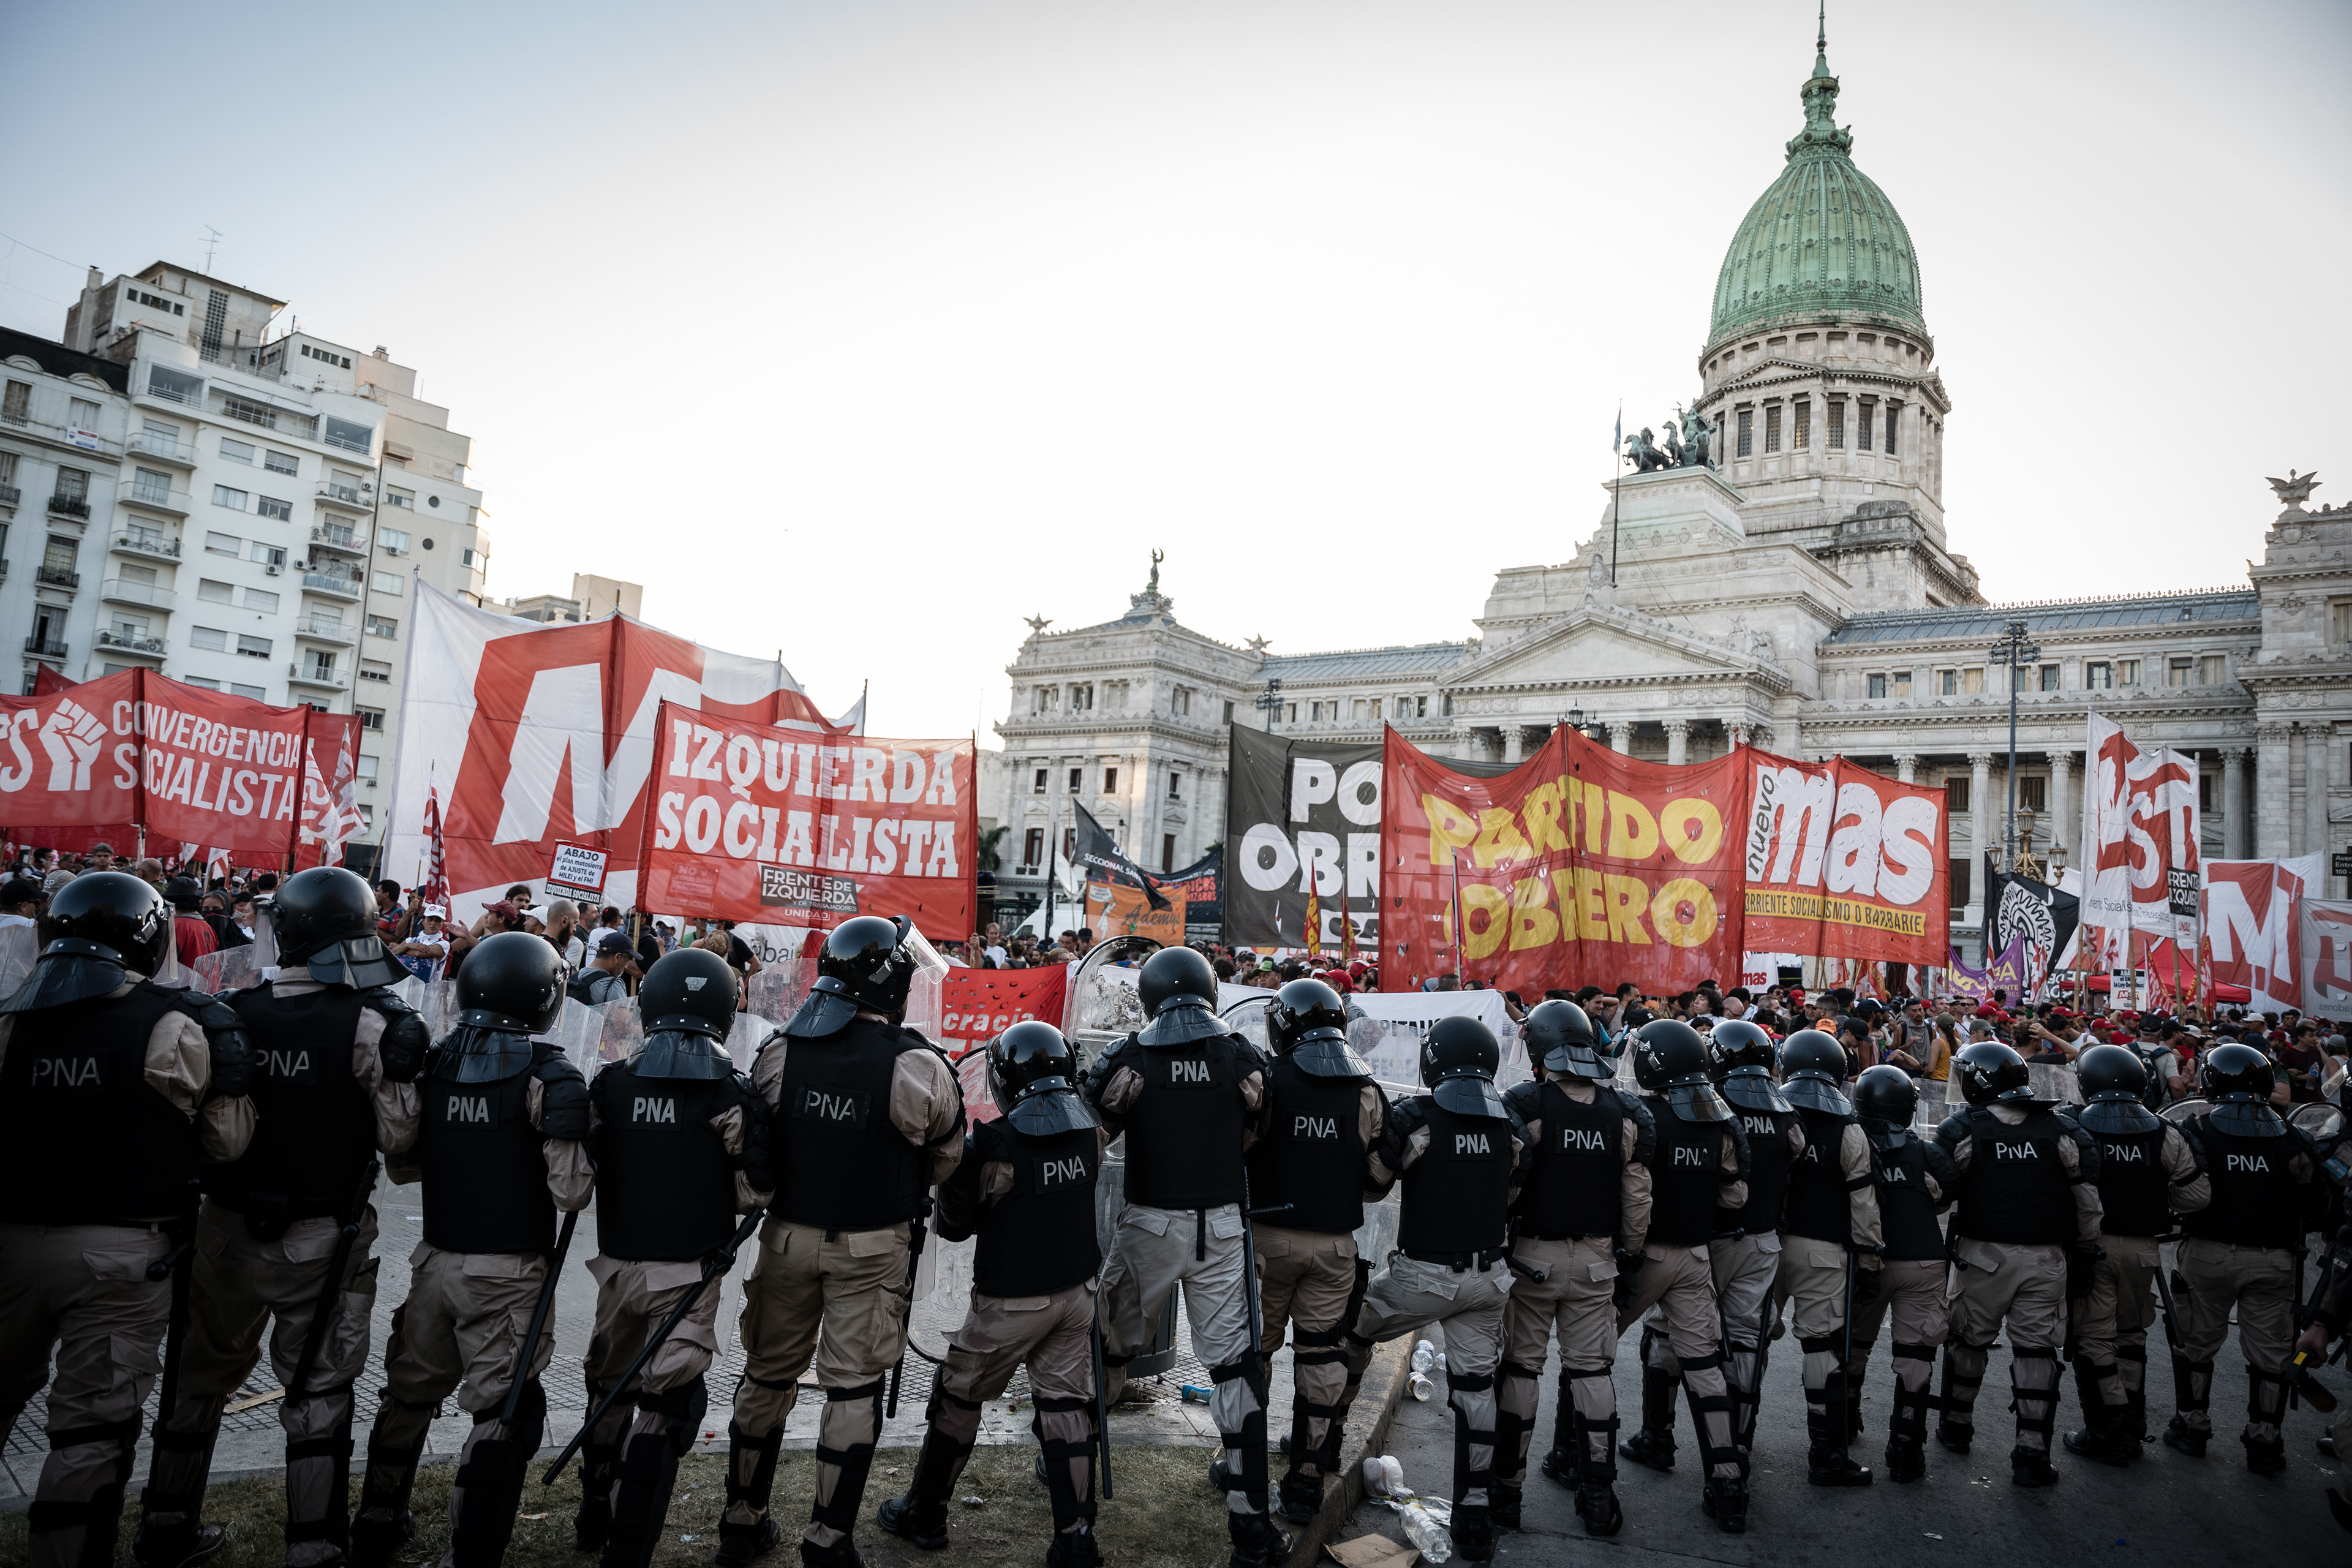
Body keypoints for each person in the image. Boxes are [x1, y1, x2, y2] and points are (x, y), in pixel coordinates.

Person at [136, 866, 428, 1567]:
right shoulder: (374, 1020)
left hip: (222, 1229)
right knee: (320, 1391)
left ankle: (167, 1526)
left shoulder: (227, 1006)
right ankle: (314, 1547)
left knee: (194, 1382)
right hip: (323, 1238)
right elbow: (400, 1143)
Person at [0, 873, 255, 1568]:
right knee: (90, 1430)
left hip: (11, 1242)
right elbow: (226, 1145)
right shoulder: (173, 1021)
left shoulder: (11, 1017)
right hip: (123, 1251)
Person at [721, 916, 963, 1568]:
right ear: (891, 984)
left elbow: (757, 1140)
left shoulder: (780, 1050)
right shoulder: (918, 1063)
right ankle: (828, 1539)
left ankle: (740, 1522)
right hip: (873, 1245)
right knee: (853, 1388)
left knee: (767, 1374)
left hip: (787, 1239)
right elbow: (946, 1157)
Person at [350, 932, 593, 1567]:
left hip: (435, 1260)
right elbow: (571, 1194)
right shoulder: (546, 1074)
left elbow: (400, 1153)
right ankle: (473, 1551)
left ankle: (377, 1520)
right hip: (507, 1272)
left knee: (408, 1393)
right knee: (502, 1412)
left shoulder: (434, 1062)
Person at [1078, 946, 1285, 1567]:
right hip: (1222, 1225)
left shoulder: (1131, 1055)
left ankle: (1072, 1466)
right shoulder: (1240, 1055)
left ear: (1148, 996)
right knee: (1234, 1368)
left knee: (1108, 1344)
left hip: (1150, 1224)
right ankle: (1252, 1525)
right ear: (1210, 991)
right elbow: (1260, 1127)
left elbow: (1093, 1131)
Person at [880, 1022, 1106, 1567]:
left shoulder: (995, 1145)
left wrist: (959, 1176)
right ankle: (1076, 1537)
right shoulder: (1091, 1132)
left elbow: (955, 1227)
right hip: (1077, 1293)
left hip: (1012, 1300)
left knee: (958, 1396)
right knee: (1067, 1408)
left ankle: (925, 1513)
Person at [576, 947, 772, 1567]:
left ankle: (594, 1515)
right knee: (668, 1405)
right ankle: (627, 1551)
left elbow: (583, 1172)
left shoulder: (609, 1083)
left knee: (608, 1387)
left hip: (617, 1266)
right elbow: (755, 1192)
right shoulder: (728, 1093)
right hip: (688, 1271)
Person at [1325, 1017, 1526, 1562]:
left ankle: (1323, 1447)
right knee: (1477, 1391)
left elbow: (1373, 1185)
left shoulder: (1419, 1116)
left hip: (1420, 1276)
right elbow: (1512, 1191)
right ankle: (1477, 1518)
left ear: (1433, 1059)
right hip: (1489, 1279)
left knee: (1350, 1336)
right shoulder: (1508, 1120)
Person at [1496, 1000, 1651, 1537]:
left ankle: (1507, 1495)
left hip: (1533, 1260)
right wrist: (1628, 1253)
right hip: (1596, 1261)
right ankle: (1599, 1496)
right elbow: (1637, 1198)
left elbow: (1507, 1184)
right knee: (1592, 1372)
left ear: (1539, 1048)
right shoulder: (1625, 1112)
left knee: (1521, 1370)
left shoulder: (1527, 1105)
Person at [1235, 979, 1389, 1523]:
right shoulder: (1367, 1089)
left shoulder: (1267, 1079)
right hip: (1335, 1246)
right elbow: (1377, 1180)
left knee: (1255, 1355)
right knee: (1323, 1356)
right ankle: (1306, 1478)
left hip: (1267, 1242)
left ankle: (1243, 1469)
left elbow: (1241, 1149)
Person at [1932, 1041, 2103, 1487]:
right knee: (2037, 1352)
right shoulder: (2062, 1130)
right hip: (2048, 1258)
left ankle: (1956, 1425)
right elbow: (2087, 1201)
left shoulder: (1964, 1128)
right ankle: (2032, 1453)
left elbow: (1936, 1191)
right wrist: (2085, 1251)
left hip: (1982, 1257)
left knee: (1968, 1341)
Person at [1610, 1020, 1752, 1531]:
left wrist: (1628, 1253)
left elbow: (1633, 1197)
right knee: (1705, 1366)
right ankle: (1729, 1486)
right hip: (1695, 1257)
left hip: (1645, 1255)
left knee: (1590, 1356)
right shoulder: (1721, 1122)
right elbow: (1734, 1197)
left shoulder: (1641, 1116)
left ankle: (1578, 1465)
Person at [2162, 1042, 2321, 1472]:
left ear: (2211, 1081)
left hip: (2208, 1254)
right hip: (2275, 1261)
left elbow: (2175, 1187)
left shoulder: (2196, 1128)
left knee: (2194, 1343)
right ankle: (2264, 1442)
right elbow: (2319, 1203)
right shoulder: (2295, 1137)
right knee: (2271, 1356)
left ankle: (2192, 1426)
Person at [2059, 1045, 2209, 1467]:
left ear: (2087, 1082)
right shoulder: (2164, 1131)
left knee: (2093, 1338)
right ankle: (2131, 1425)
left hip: (2090, 1248)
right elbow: (2196, 1195)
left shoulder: (2070, 1125)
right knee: (2130, 1335)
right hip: (2144, 1251)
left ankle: (2110, 1429)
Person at [1773, 1028, 1884, 1486]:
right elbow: (1864, 1204)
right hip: (1824, 1250)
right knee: (1821, 1348)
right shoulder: (1848, 1128)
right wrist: (1871, 1261)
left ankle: (1732, 1445)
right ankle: (1827, 1455)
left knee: (1746, 1342)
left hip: (1765, 1246)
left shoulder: (1767, 1112)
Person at [1697, 1019, 1804, 1474]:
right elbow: (1795, 1158)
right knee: (1747, 1342)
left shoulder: (1707, 1106)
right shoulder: (1787, 1114)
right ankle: (1739, 1440)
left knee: (1671, 1337)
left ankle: (1657, 1436)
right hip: (1761, 1241)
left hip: (1706, 1241)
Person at [1846, 1066, 1958, 1482]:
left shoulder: (1849, 1145)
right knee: (1916, 1360)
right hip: (1923, 1261)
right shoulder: (1924, 1153)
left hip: (1865, 1262)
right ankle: (1908, 1449)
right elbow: (1947, 1189)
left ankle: (1842, 1423)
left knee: (1853, 1349)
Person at [165, 876, 217, 972]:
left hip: (183, 985)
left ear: (171, 903)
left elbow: (165, 965)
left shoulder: (177, 926)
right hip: (205, 986)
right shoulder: (209, 927)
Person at [570, 931, 635, 1006]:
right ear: (618, 957)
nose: (626, 966)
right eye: (627, 961)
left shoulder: (574, 977)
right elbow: (622, 1017)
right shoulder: (613, 985)